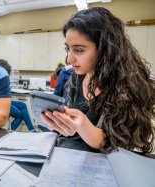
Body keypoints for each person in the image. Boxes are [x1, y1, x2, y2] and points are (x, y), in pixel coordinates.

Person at [41, 7, 155, 154]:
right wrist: (62, 123)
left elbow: (114, 144)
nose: (69, 59)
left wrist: (82, 124)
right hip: (73, 155)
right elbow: (74, 131)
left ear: (104, 48)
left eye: (79, 50)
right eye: (68, 49)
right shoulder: (77, 76)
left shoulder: (127, 85)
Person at [0, 59, 36, 132]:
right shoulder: (0, 80)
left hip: (4, 102)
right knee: (19, 115)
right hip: (0, 104)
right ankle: (9, 132)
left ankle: (32, 130)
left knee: (23, 105)